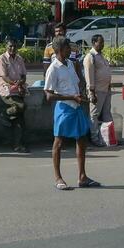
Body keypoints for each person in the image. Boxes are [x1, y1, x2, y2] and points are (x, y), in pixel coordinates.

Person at [44, 38, 98, 189]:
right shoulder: (53, 68)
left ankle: (82, 177)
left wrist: (86, 96)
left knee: (81, 140)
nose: (71, 50)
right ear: (61, 49)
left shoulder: (70, 64)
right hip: (64, 108)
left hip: (76, 107)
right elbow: (49, 95)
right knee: (58, 142)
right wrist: (71, 97)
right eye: (68, 48)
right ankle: (58, 178)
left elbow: (77, 84)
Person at [0, 38, 29, 152]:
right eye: (10, 46)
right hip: (7, 90)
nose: (12, 48)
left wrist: (21, 82)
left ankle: (17, 144)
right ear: (6, 47)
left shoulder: (19, 59)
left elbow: (23, 75)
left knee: (19, 119)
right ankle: (3, 114)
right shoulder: (1, 59)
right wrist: (14, 83)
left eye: (14, 46)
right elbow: (4, 77)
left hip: (19, 90)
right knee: (21, 107)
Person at [83, 35, 115, 147]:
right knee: (94, 115)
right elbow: (89, 76)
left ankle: (108, 138)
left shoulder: (101, 56)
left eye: (102, 42)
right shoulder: (90, 57)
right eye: (100, 42)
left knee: (106, 114)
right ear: (93, 43)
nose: (102, 45)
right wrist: (91, 92)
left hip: (106, 90)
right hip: (97, 91)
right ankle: (94, 138)